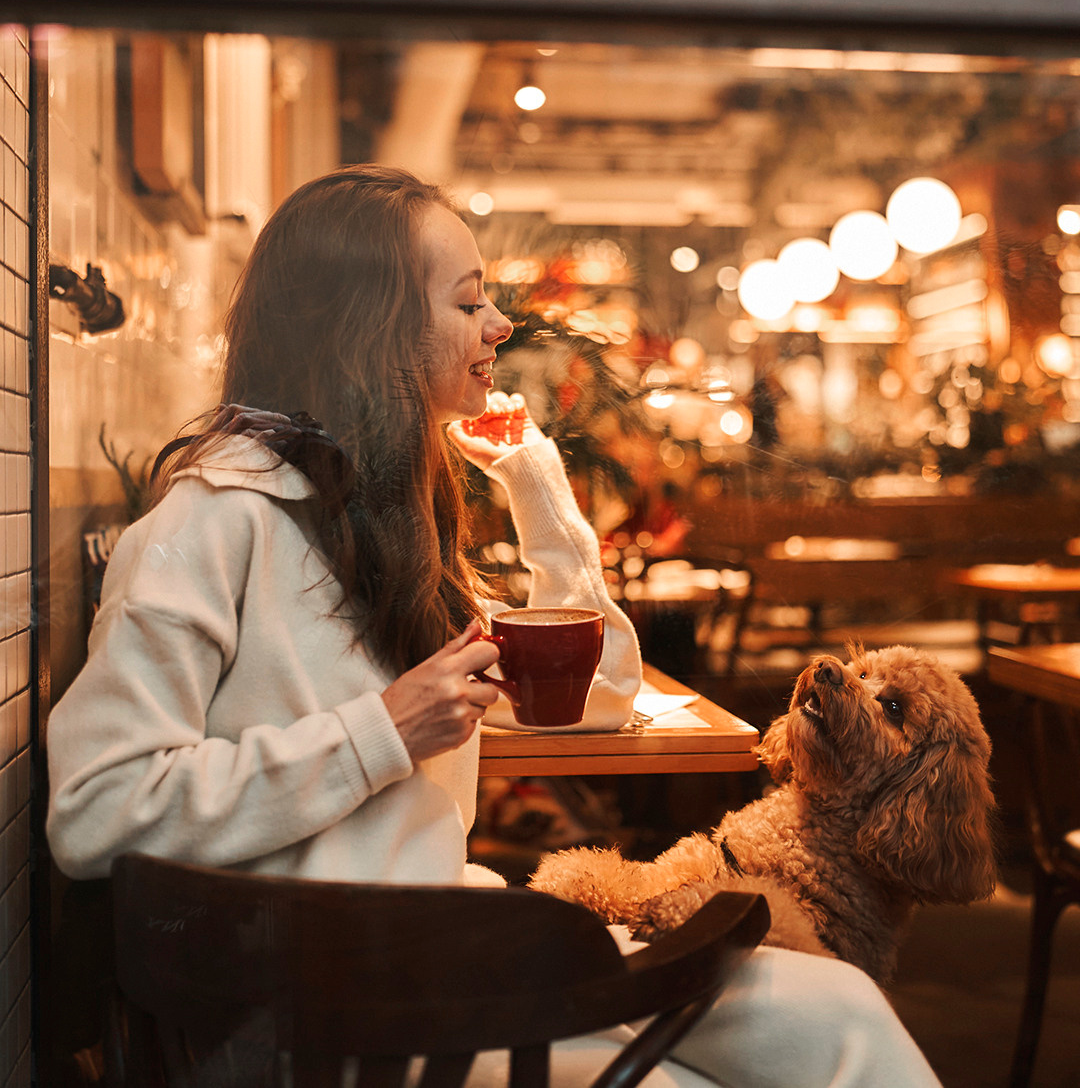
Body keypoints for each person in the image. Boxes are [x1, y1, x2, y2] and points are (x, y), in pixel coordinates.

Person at [46, 166, 942, 1088]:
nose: (501, 327)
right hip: (329, 1006)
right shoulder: (212, 520)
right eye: (469, 302)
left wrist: (535, 486)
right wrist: (379, 734)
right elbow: (95, 812)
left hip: (438, 954)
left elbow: (594, 700)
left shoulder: (378, 518)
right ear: (372, 330)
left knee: (842, 1012)